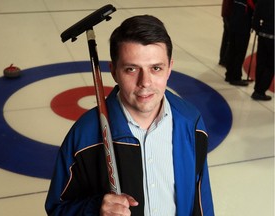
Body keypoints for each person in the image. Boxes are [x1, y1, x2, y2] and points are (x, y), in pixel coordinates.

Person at [45, 15, 214, 216]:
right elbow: (57, 208)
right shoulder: (85, 136)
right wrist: (95, 209)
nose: (145, 82)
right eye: (131, 69)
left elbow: (201, 198)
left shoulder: (191, 122)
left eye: (156, 68)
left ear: (169, 68)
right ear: (114, 71)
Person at [224, 0, 256, 86]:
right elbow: (254, 7)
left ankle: (229, 74)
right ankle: (235, 77)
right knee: (239, 52)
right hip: (242, 26)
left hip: (233, 22)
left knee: (232, 50)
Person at [251, 0, 274, 101]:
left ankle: (257, 89)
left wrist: (258, 29)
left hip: (263, 35)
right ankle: (260, 91)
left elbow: (256, 16)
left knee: (261, 62)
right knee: (271, 66)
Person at [219, 0, 233, 67]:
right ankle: (225, 60)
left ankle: (222, 59)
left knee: (226, 37)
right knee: (229, 38)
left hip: (226, 13)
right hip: (230, 14)